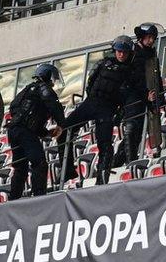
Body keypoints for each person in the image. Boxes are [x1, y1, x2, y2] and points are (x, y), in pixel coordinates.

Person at [59, 35, 143, 185]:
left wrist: (119, 113)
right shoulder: (103, 63)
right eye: (119, 51)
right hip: (91, 102)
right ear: (114, 51)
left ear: (129, 53)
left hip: (107, 108)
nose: (121, 54)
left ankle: (102, 178)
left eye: (124, 52)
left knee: (104, 144)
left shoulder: (131, 72)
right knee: (64, 130)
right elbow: (90, 82)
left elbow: (129, 97)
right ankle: (67, 170)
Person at [7, 64, 65, 200]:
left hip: (14, 131)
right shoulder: (44, 89)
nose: (53, 82)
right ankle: (39, 196)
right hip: (24, 132)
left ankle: (13, 199)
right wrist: (62, 124)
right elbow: (55, 107)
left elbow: (16, 110)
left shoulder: (28, 89)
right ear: (48, 76)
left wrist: (45, 133)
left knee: (20, 167)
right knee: (39, 163)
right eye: (52, 79)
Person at [118, 23, 164, 164]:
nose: (151, 41)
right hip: (134, 100)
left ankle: (124, 160)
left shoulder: (151, 53)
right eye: (149, 37)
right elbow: (134, 80)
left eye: (153, 38)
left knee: (139, 132)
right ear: (142, 37)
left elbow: (156, 76)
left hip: (148, 97)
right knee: (133, 131)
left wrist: (160, 96)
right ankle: (125, 161)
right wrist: (145, 95)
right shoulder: (134, 54)